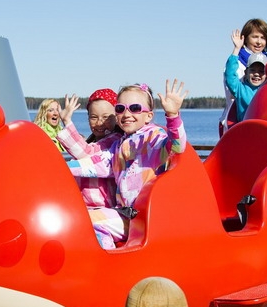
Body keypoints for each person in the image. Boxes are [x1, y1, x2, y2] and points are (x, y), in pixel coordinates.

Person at [69, 79, 188, 249]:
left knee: (87, 220)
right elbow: (97, 164)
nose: (126, 114)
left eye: (135, 108)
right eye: (120, 109)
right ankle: (106, 257)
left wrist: (173, 116)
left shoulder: (152, 136)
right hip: (125, 214)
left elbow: (177, 146)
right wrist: (63, 168)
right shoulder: (118, 145)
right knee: (81, 217)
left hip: (147, 217)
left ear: (149, 116)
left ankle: (109, 263)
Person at [57, 88, 123, 208]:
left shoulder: (115, 140)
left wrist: (67, 122)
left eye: (106, 117)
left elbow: (87, 154)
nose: (99, 123)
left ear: (117, 118)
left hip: (104, 206)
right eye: (94, 117)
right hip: (86, 204)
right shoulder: (92, 141)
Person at [218, 19, 267, 136]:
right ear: (245, 38)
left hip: (263, 128)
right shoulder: (236, 64)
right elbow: (230, 78)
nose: (259, 42)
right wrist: (236, 49)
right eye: (255, 37)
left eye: (263, 38)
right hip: (235, 125)